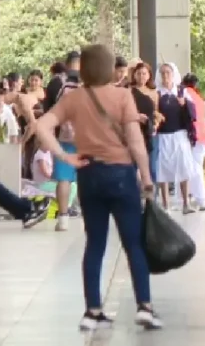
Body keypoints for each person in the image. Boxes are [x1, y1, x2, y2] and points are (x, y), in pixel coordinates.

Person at [35, 43, 161, 330]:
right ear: (109, 68)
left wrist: (64, 155)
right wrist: (147, 177)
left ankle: (92, 311)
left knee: (95, 244)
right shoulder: (122, 96)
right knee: (133, 243)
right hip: (121, 174)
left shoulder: (74, 98)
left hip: (88, 174)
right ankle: (144, 306)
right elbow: (135, 141)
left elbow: (43, 125)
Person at [154, 63, 197, 213]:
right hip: (164, 135)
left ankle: (186, 203)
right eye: (162, 73)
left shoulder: (181, 91)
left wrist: (185, 104)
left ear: (174, 74)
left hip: (179, 135)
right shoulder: (157, 93)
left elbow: (193, 112)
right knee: (163, 168)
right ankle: (166, 204)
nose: (165, 76)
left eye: (168, 73)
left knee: (184, 166)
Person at [50, 67, 83, 230]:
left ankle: (63, 218)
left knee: (64, 179)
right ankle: (89, 215)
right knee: (87, 178)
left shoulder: (65, 89)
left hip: (65, 138)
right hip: (88, 139)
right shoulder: (93, 89)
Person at [181, 73, 205, 212]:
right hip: (202, 135)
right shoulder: (199, 97)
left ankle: (201, 199)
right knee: (196, 166)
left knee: (193, 167)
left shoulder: (185, 93)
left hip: (193, 135)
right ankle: (199, 198)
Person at [130, 62, 159, 186]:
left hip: (149, 132)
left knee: (151, 167)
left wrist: (156, 125)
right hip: (133, 131)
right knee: (133, 165)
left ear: (149, 76)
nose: (141, 76)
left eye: (144, 73)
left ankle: (151, 199)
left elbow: (156, 113)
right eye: (139, 73)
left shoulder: (154, 93)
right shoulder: (129, 91)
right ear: (134, 75)